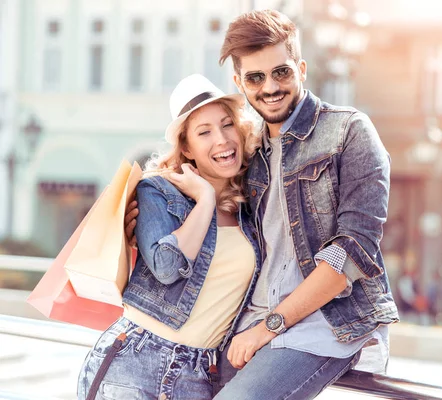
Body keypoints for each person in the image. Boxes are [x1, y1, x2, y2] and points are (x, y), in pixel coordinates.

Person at [124, 9, 399, 400]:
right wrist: (141, 226)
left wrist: (269, 326)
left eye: (281, 72)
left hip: (321, 326)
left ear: (301, 68)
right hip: (240, 331)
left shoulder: (349, 131)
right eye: (255, 77)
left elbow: (351, 254)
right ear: (239, 82)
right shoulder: (251, 154)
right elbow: (207, 216)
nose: (270, 86)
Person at [78, 74, 262, 400]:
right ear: (187, 147)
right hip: (135, 360)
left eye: (227, 125)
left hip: (200, 373)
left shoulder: (252, 212)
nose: (221, 139)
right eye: (204, 132)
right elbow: (167, 267)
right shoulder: (157, 190)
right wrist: (205, 199)